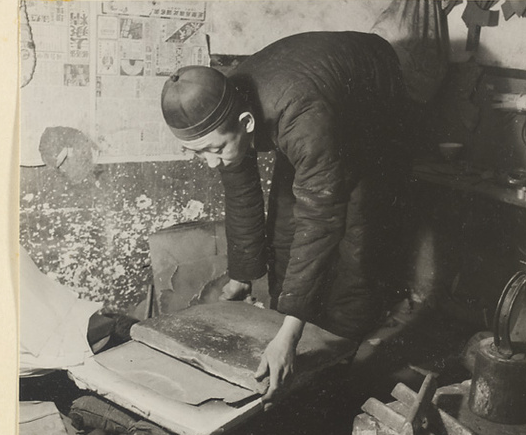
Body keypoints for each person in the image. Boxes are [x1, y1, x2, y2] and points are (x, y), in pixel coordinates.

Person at [160, 31, 411, 406]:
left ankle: (337, 370)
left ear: (246, 123)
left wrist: (291, 335)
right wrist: (242, 276)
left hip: (369, 102)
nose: (210, 162)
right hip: (311, 98)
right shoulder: (222, 104)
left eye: (213, 150)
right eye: (198, 154)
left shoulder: (304, 120)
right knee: (284, 224)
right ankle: (286, 333)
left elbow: (321, 220)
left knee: (353, 237)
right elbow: (241, 191)